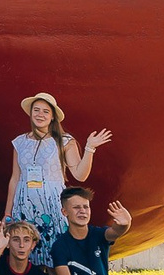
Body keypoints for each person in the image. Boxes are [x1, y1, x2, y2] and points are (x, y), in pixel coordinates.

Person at [6, 93, 108, 257]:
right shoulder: (19, 142)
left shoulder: (64, 141)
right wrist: (8, 213)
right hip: (24, 205)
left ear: (53, 116)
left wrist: (90, 148)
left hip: (53, 205)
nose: (40, 114)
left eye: (46, 111)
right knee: (26, 254)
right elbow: (15, 178)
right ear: (30, 113)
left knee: (56, 256)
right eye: (36, 110)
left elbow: (80, 175)